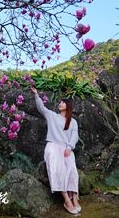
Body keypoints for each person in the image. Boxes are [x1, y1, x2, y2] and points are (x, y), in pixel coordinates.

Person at [30, 86, 81, 215]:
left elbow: (74, 136)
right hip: (53, 147)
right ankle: (66, 200)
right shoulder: (52, 116)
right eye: (60, 102)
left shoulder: (73, 122)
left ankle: (74, 198)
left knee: (72, 171)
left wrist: (69, 148)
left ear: (68, 106)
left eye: (63, 102)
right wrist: (36, 95)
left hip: (66, 149)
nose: (60, 104)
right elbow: (42, 108)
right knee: (59, 171)